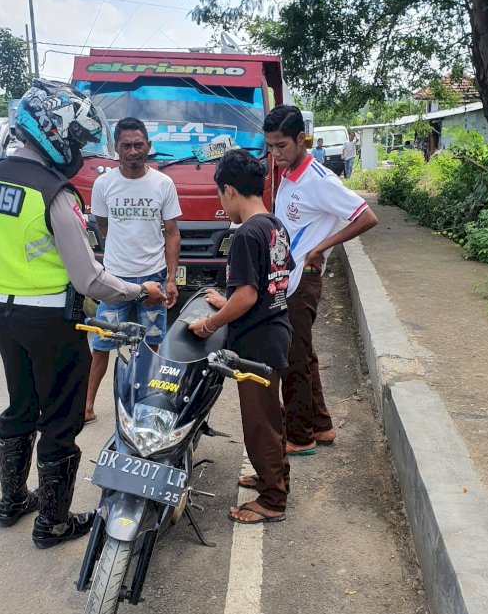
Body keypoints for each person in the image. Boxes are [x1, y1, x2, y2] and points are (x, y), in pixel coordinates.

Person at [0, 79, 165, 549]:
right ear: (53, 132)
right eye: (75, 139)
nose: (76, 148)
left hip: (3, 314)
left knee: (20, 405)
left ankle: (12, 501)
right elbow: (89, 280)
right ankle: (52, 522)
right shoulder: (53, 192)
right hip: (53, 321)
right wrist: (141, 289)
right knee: (59, 418)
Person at [263, 105, 378, 455]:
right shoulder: (288, 174)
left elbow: (366, 216)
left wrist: (322, 248)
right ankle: (321, 426)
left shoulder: (319, 180)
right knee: (304, 355)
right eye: (270, 147)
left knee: (293, 361)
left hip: (303, 281)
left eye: (281, 146)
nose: (275, 154)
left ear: (301, 139)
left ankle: (300, 437)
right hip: (289, 276)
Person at [189, 149, 293, 524]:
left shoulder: (247, 233)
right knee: (272, 415)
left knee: (259, 423)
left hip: (257, 342)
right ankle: (274, 478)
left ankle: (273, 501)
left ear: (229, 190)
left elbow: (248, 295)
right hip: (276, 331)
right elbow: (269, 282)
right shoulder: (273, 225)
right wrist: (226, 300)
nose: (222, 203)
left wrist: (209, 324)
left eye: (220, 194)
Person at [84, 117, 181, 424]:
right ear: (116, 148)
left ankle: (149, 406)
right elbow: (102, 225)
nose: (133, 151)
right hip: (113, 281)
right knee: (101, 345)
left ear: (148, 146)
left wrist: (170, 278)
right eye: (126, 145)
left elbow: (172, 232)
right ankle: (86, 408)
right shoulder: (103, 184)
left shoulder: (163, 184)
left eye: (139, 144)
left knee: (152, 346)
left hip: (152, 280)